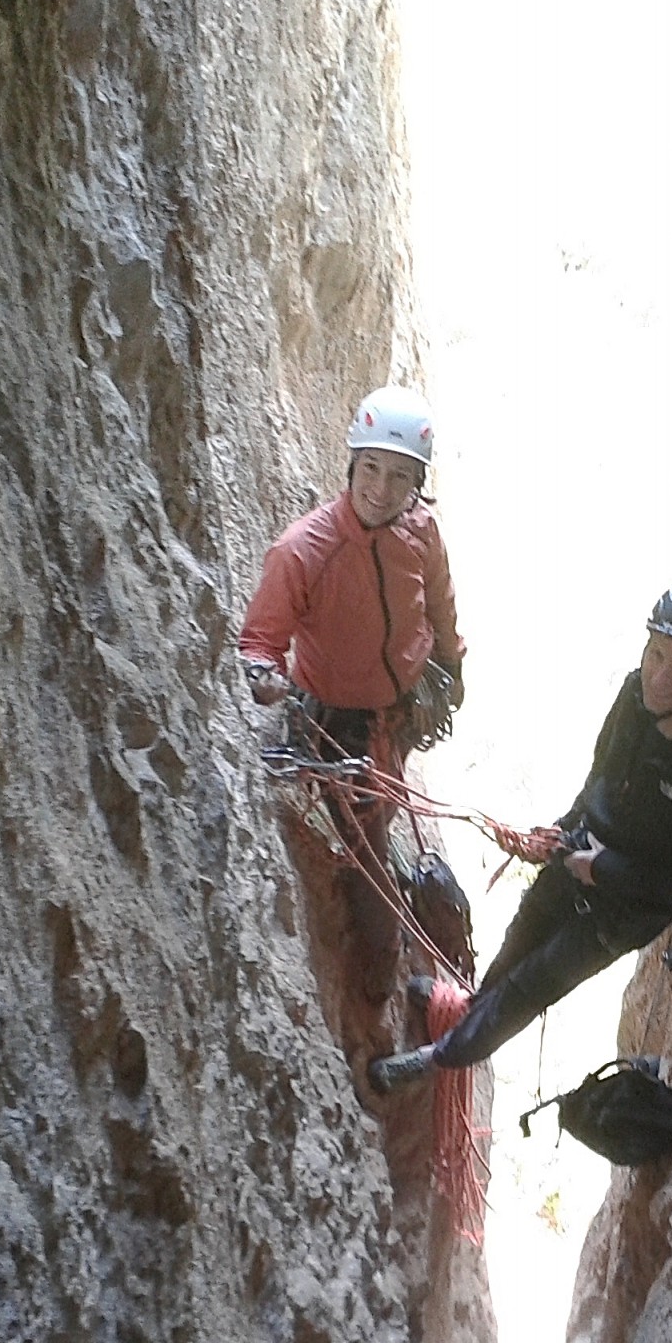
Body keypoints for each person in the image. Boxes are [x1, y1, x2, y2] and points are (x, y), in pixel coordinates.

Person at [368, 582, 672, 1092]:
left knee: (531, 987)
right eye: (656, 654)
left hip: (623, 909)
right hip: (578, 850)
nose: (660, 677)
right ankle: (470, 1009)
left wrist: (607, 871)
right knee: (518, 943)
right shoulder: (635, 697)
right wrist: (566, 828)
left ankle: (440, 1059)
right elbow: (604, 772)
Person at [239, 385, 465, 995]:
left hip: (405, 703)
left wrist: (452, 663)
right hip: (341, 721)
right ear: (352, 466)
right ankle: (377, 977)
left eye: (399, 476)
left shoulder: (421, 532)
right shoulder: (304, 551)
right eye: (371, 469)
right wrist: (264, 677)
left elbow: (440, 603)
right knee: (369, 855)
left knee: (384, 803)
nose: (381, 490)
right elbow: (261, 640)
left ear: (417, 482)